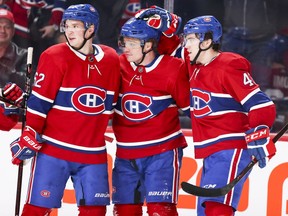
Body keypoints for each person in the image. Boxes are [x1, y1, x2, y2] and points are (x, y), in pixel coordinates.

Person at [136, 7, 277, 216]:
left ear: (207, 42)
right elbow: (170, 51)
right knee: (206, 211)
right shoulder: (195, 65)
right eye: (186, 38)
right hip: (212, 152)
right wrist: (164, 28)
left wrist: (260, 130)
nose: (187, 44)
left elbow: (261, 104)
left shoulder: (229, 66)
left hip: (231, 147)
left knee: (215, 209)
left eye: (191, 39)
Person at [9, 4, 120, 216]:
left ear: (91, 29)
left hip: (92, 152)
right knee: (36, 210)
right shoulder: (54, 56)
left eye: (76, 26)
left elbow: (113, 102)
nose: (69, 31)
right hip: (54, 150)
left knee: (95, 211)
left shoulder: (111, 58)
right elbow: (39, 104)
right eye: (66, 25)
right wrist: (30, 133)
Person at [111, 17, 190, 216]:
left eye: (131, 43)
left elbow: (192, 108)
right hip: (125, 153)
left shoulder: (173, 68)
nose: (125, 48)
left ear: (148, 45)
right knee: (124, 211)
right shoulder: (116, 64)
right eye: (123, 42)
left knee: (160, 211)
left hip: (162, 151)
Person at [0, 8, 28, 90]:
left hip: (10, 101)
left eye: (7, 27)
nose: (2, 30)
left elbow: (27, 83)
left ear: (13, 31)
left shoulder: (25, 55)